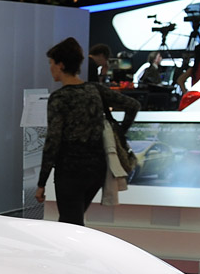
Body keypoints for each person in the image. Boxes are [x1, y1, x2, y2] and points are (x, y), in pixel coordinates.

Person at [36, 37, 139, 226]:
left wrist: (41, 182)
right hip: (96, 169)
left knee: (70, 223)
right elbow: (133, 105)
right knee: (73, 220)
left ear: (61, 65)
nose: (50, 68)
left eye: (51, 63)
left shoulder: (59, 98)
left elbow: (53, 141)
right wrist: (120, 130)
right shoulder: (95, 90)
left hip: (70, 170)